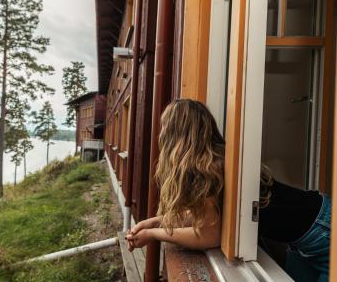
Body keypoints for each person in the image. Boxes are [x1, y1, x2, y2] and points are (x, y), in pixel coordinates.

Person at [125, 99, 331, 282]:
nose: (161, 133)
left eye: (164, 127)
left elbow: (208, 235)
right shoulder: (213, 162)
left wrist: (153, 234)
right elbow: (203, 217)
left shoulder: (211, 168)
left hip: (325, 232)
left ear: (176, 134)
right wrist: (154, 222)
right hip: (309, 237)